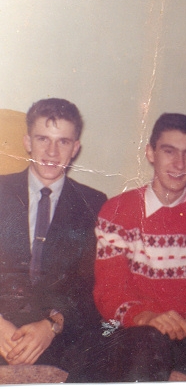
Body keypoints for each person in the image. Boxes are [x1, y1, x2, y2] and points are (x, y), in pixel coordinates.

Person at [69, 112, 186, 382]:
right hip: (136, 330)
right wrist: (145, 316)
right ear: (150, 153)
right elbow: (109, 292)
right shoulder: (117, 210)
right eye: (169, 151)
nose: (179, 164)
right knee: (145, 342)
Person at [0, 98, 107, 373]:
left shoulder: (93, 203)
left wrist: (52, 326)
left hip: (56, 333)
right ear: (27, 142)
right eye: (42, 139)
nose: (51, 151)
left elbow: (92, 288)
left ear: (75, 148)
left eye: (63, 142)